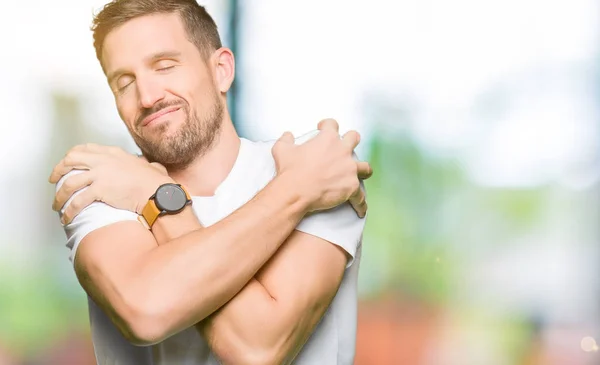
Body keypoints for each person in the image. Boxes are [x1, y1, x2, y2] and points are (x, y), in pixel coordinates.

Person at [48, 1, 372, 364]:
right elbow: (146, 310)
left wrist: (152, 199)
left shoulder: (321, 164)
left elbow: (259, 346)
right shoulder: (99, 187)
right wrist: (297, 191)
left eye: (165, 66)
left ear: (221, 70)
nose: (148, 96)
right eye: (124, 83)